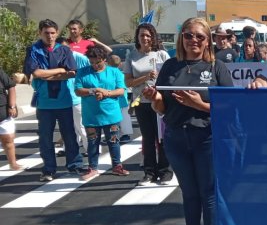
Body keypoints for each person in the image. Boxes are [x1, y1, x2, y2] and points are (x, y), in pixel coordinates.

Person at [142, 17, 234, 225]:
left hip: (207, 137)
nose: (194, 40)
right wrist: (155, 97)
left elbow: (230, 108)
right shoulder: (171, 66)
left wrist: (199, 105)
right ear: (181, 38)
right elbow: (162, 107)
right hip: (176, 137)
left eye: (200, 36)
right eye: (188, 35)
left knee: (209, 193)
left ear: (208, 41)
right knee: (189, 193)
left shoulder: (217, 67)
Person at [24, 19, 84, 181]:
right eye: (46, 33)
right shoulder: (33, 50)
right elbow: (35, 73)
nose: (50, 36)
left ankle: (75, 164)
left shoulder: (64, 50)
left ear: (57, 33)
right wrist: (59, 70)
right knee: (45, 137)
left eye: (52, 33)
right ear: (40, 33)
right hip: (44, 102)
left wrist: (48, 73)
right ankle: (49, 169)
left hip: (64, 99)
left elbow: (72, 72)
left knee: (69, 134)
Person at [122, 23, 172, 185]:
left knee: (162, 137)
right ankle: (149, 172)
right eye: (142, 35)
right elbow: (128, 81)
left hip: (160, 102)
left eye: (148, 35)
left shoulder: (162, 55)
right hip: (141, 102)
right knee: (148, 138)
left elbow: (172, 78)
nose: (145, 38)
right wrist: (145, 77)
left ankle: (165, 171)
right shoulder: (132, 57)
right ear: (137, 37)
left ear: (153, 37)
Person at [74, 45, 129, 181]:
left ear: (104, 59)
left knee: (114, 140)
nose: (94, 65)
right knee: (93, 141)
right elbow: (78, 90)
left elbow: (121, 90)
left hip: (111, 114)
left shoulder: (114, 72)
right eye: (91, 62)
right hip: (91, 115)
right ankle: (92, 167)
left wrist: (107, 93)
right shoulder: (82, 72)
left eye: (97, 62)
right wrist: (94, 91)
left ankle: (117, 165)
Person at [0, 66, 21, 170]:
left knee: (8, 138)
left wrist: (12, 106)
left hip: (3, 111)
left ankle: (13, 164)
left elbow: (11, 87)